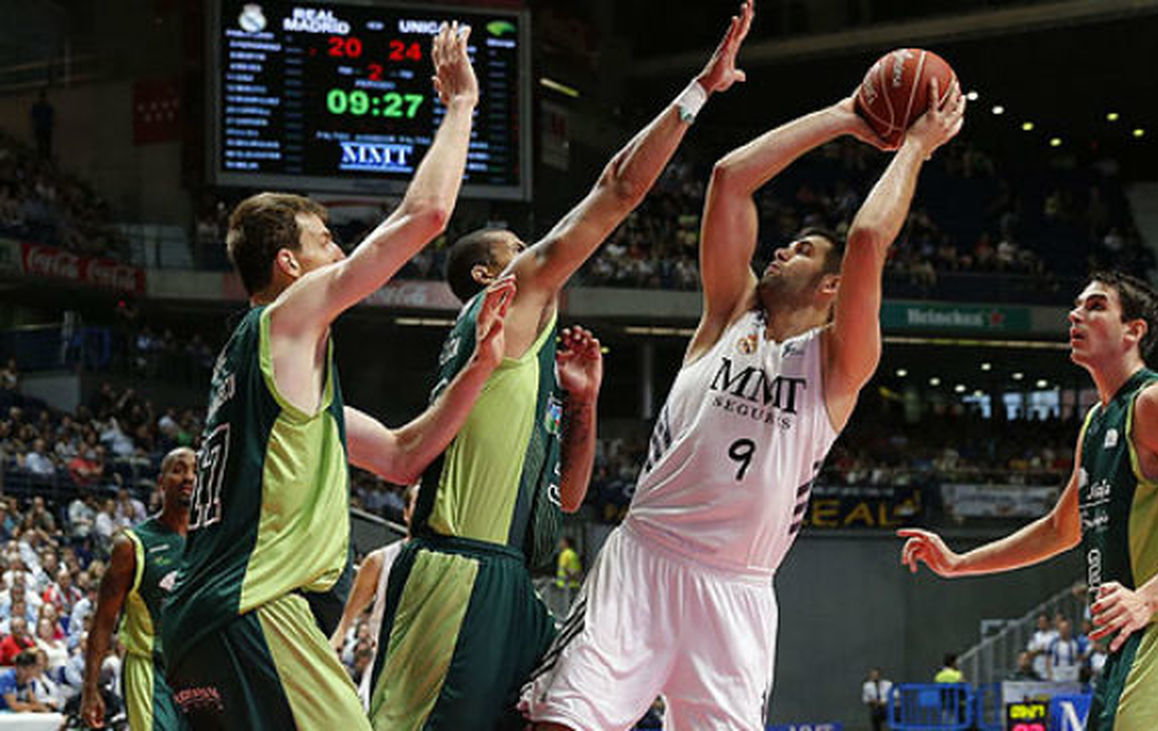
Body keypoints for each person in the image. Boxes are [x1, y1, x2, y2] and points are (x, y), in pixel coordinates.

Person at [521, 49, 966, 731]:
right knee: (557, 722)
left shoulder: (838, 363)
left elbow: (871, 239)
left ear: (831, 287)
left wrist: (915, 147)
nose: (782, 249)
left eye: (804, 250)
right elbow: (730, 180)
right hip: (644, 558)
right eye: (786, 244)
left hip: (736, 590)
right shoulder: (730, 313)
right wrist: (847, 115)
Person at [366, 6, 757, 729]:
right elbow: (618, 189)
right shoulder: (508, 302)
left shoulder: (523, 355)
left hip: (511, 578)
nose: (543, 254)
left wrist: (582, 404)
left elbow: (569, 498)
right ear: (491, 273)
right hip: (459, 570)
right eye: (522, 246)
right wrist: (699, 90)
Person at [160, 24, 512, 730]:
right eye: (326, 241)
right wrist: (461, 107)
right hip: (250, 609)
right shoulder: (285, 319)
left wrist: (477, 371)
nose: (342, 251)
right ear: (288, 266)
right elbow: (426, 215)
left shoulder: (274, 385)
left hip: (204, 628)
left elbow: (404, 457)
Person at [899, 271, 1158, 730]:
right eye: (1078, 305)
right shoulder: (1098, 422)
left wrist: (1146, 599)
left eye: (1096, 306)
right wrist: (959, 563)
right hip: (1136, 628)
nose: (1076, 313)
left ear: (1133, 331)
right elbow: (1061, 529)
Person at [80, 447, 194, 730]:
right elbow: (103, 622)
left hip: (199, 669)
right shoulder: (132, 545)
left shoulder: (213, 540)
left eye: (196, 471)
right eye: (178, 469)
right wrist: (90, 689)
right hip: (151, 671)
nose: (189, 477)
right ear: (161, 481)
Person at [329, 483, 419, 710]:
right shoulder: (380, 560)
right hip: (383, 664)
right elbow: (345, 623)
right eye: (419, 504)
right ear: (406, 512)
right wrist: (336, 646)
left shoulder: (447, 566)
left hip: (423, 668)